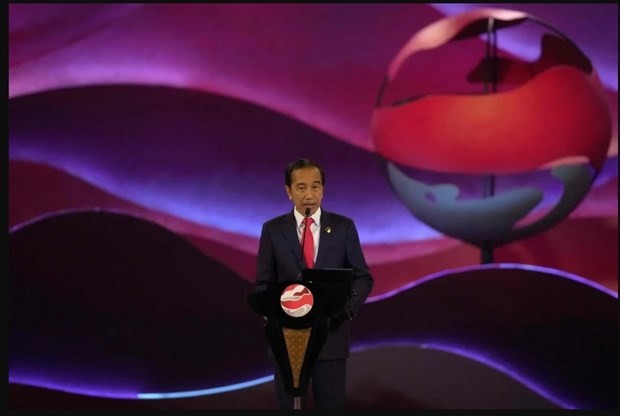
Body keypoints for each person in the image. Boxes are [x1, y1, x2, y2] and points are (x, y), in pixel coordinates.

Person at [253, 158, 374, 409]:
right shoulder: (273, 230)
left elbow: (363, 277)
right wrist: (272, 314)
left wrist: (347, 309)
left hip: (331, 338)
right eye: (301, 187)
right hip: (287, 340)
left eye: (316, 187)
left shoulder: (343, 228)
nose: (309, 195)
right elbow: (263, 284)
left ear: (323, 189)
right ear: (288, 191)